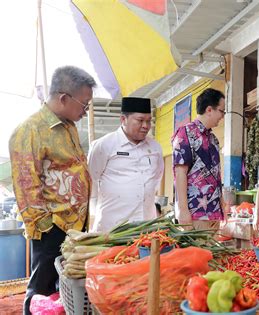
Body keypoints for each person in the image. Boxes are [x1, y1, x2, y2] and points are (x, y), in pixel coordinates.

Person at [9, 66, 96, 315]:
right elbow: (26, 186)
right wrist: (47, 228)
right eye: (84, 104)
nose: (85, 110)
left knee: (64, 290)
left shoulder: (68, 127)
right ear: (64, 98)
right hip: (52, 227)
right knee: (41, 289)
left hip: (75, 226)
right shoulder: (30, 131)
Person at [88, 97, 164, 232]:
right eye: (140, 120)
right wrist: (93, 213)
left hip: (145, 228)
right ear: (123, 119)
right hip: (112, 229)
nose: (146, 126)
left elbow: (156, 178)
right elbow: (90, 180)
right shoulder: (104, 145)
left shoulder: (155, 148)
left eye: (148, 121)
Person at [172, 88, 227, 230]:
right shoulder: (185, 133)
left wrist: (221, 205)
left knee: (211, 253)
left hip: (214, 213)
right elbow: (180, 173)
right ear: (209, 110)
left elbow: (216, 175)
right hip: (194, 213)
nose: (222, 116)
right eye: (221, 111)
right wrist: (183, 210)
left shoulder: (213, 139)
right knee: (196, 252)